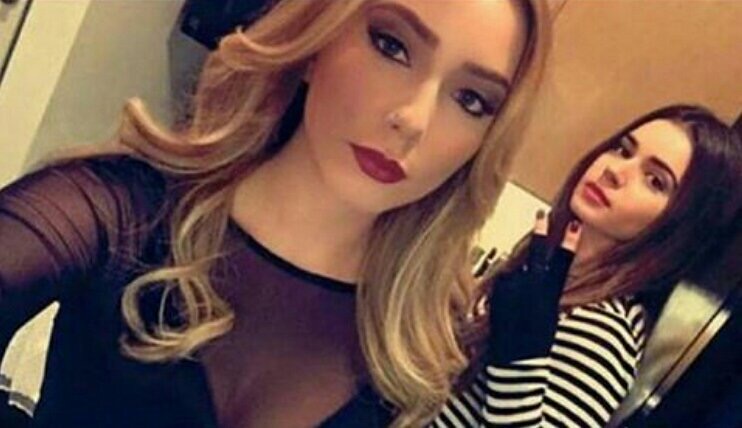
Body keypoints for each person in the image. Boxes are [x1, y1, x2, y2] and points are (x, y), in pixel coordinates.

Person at [0, 0, 552, 427]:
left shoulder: (410, 348)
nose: (413, 119)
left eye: (471, 100)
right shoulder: (118, 214)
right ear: (318, 40)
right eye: (392, 46)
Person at [434, 104, 742, 427]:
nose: (615, 171)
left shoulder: (605, 335)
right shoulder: (545, 273)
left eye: (654, 180)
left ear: (679, 227)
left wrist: (519, 362)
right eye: (623, 150)